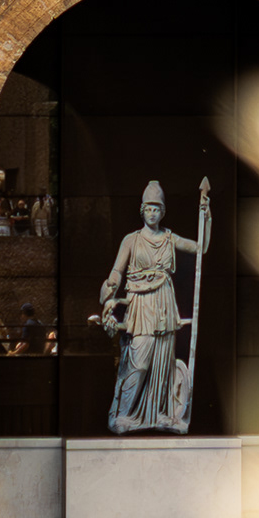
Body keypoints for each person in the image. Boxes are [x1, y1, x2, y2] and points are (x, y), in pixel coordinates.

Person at [95, 176, 210, 433]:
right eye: (148, 208)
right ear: (142, 210)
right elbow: (117, 271)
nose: (152, 213)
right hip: (141, 304)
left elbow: (200, 248)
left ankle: (159, 413)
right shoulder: (131, 240)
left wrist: (206, 216)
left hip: (164, 303)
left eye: (156, 208)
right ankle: (123, 415)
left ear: (163, 211)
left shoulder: (170, 239)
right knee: (141, 361)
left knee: (163, 363)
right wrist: (111, 286)